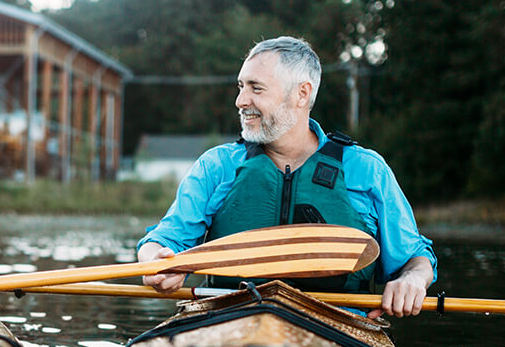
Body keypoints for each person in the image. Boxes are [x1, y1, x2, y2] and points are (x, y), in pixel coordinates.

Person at [138, 36, 436, 319]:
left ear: (301, 94)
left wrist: (413, 279)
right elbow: (163, 240)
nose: (241, 100)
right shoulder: (217, 166)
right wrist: (155, 262)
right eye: (241, 87)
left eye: (256, 88)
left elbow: (415, 259)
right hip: (229, 320)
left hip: (338, 324)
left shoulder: (367, 170)